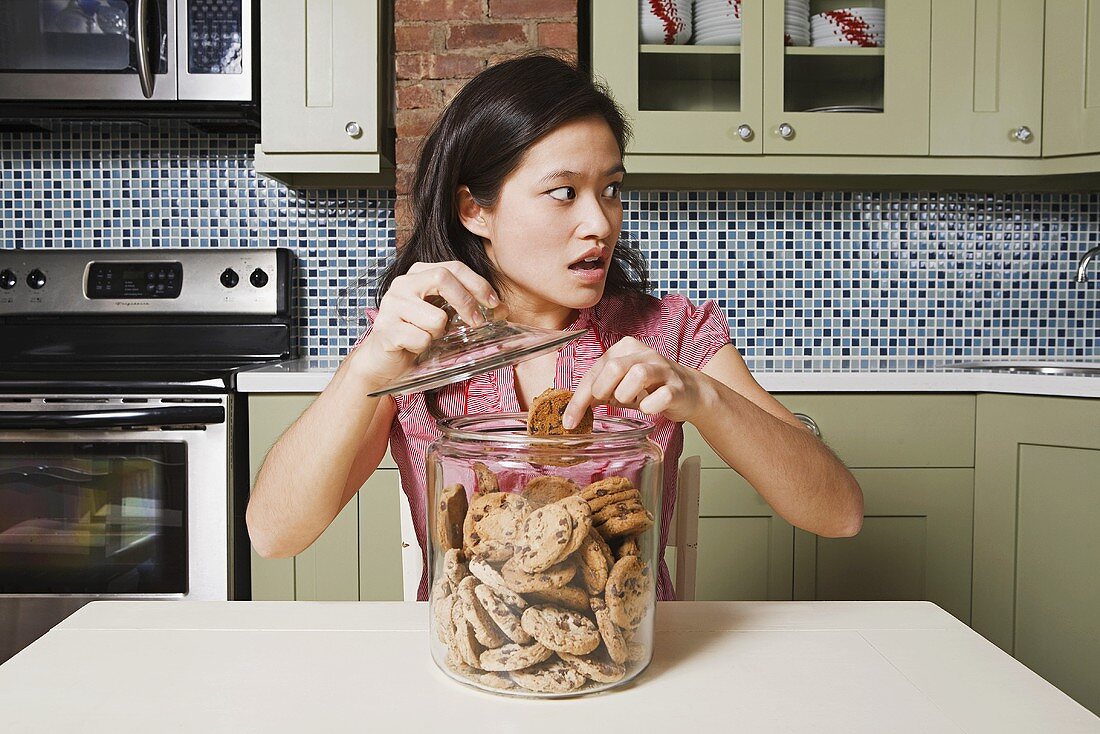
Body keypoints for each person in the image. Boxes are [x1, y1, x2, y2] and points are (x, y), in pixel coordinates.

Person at [246, 52, 863, 601]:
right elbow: (274, 534)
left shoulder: (668, 333)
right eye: (563, 192)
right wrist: (363, 372)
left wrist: (702, 396)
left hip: (632, 660)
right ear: (475, 210)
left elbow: (838, 515)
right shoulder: (414, 341)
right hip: (470, 660)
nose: (600, 222)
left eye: (611, 189)